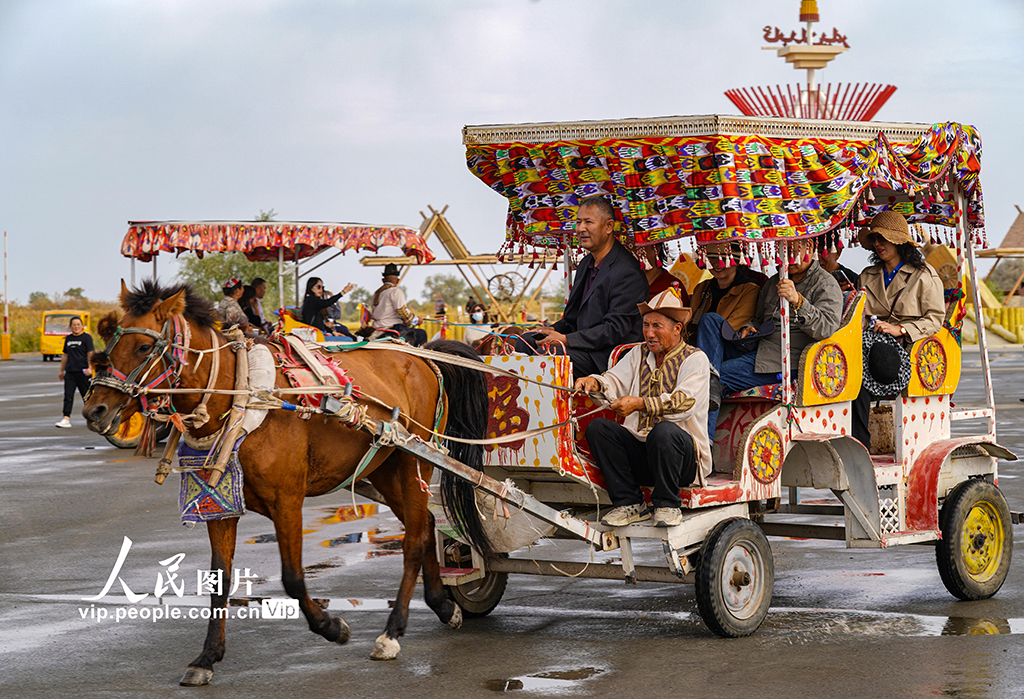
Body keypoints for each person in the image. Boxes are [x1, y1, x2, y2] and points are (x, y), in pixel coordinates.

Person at [574, 287, 711, 528]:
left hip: (681, 462)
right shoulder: (638, 353)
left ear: (677, 329)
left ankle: (668, 503)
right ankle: (629, 503)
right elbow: (614, 380)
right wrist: (593, 381)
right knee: (599, 428)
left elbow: (684, 403)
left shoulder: (695, 359)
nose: (649, 332)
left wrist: (640, 404)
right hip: (645, 456)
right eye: (646, 325)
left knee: (664, 431)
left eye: (657, 326)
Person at [514, 196, 648, 378]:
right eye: (578, 222)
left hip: (606, 355)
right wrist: (551, 331)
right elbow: (571, 319)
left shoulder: (626, 271)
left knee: (547, 357)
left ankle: (540, 405)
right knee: (524, 341)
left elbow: (614, 330)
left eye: (588, 222)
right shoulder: (586, 263)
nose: (581, 229)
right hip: (580, 346)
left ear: (609, 227)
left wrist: (566, 340)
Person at [851, 211, 945, 449]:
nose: (878, 244)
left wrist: (900, 329)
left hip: (904, 348)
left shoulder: (924, 276)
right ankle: (851, 441)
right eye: (874, 239)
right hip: (868, 343)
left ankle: (860, 444)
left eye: (883, 238)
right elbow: (858, 318)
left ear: (900, 241)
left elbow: (935, 319)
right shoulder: (867, 275)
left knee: (859, 372)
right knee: (845, 364)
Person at [719, 238, 843, 394]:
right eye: (781, 252)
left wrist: (798, 301)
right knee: (711, 321)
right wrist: (749, 327)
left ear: (809, 247)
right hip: (758, 350)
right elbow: (759, 319)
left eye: (791, 251)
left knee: (716, 376)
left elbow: (826, 328)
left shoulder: (826, 284)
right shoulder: (773, 282)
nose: (785, 257)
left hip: (786, 362)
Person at [687, 241, 763, 438]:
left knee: (710, 320)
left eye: (723, 258)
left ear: (736, 261)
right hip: (701, 352)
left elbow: (730, 329)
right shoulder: (703, 288)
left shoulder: (750, 289)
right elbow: (689, 324)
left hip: (732, 348)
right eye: (712, 258)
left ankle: (704, 438)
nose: (717, 264)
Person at [371, 263, 427, 346]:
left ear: (383, 280)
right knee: (421, 333)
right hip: (391, 330)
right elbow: (401, 311)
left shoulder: (376, 293)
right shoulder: (395, 291)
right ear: (397, 280)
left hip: (377, 330)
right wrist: (415, 320)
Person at [55, 316, 94, 428]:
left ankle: (93, 417)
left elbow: (90, 353)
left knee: (87, 396)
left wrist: (90, 368)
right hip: (70, 372)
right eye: (74, 325)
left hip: (83, 372)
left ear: (82, 326)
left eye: (78, 324)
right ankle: (66, 418)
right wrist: (61, 370)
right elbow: (65, 355)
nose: (76, 327)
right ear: (70, 327)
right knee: (68, 396)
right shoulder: (68, 339)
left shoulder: (86, 338)